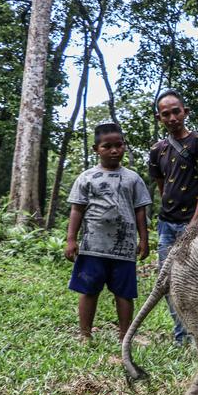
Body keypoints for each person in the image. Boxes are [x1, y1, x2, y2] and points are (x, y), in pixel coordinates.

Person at [65, 123, 151, 343]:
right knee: (89, 290)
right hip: (93, 246)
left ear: (124, 146)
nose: (114, 150)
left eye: (119, 145)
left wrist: (144, 239)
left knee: (124, 293)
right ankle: (85, 334)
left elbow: (140, 210)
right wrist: (71, 239)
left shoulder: (133, 178)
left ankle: (125, 336)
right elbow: (77, 209)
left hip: (124, 248)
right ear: (96, 149)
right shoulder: (87, 177)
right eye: (107, 146)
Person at [148, 89, 198, 345]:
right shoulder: (157, 150)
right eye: (166, 114)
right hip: (167, 225)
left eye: (176, 111)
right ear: (159, 117)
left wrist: (197, 221)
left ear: (185, 112)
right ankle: (182, 335)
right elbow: (162, 185)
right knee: (168, 280)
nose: (172, 117)